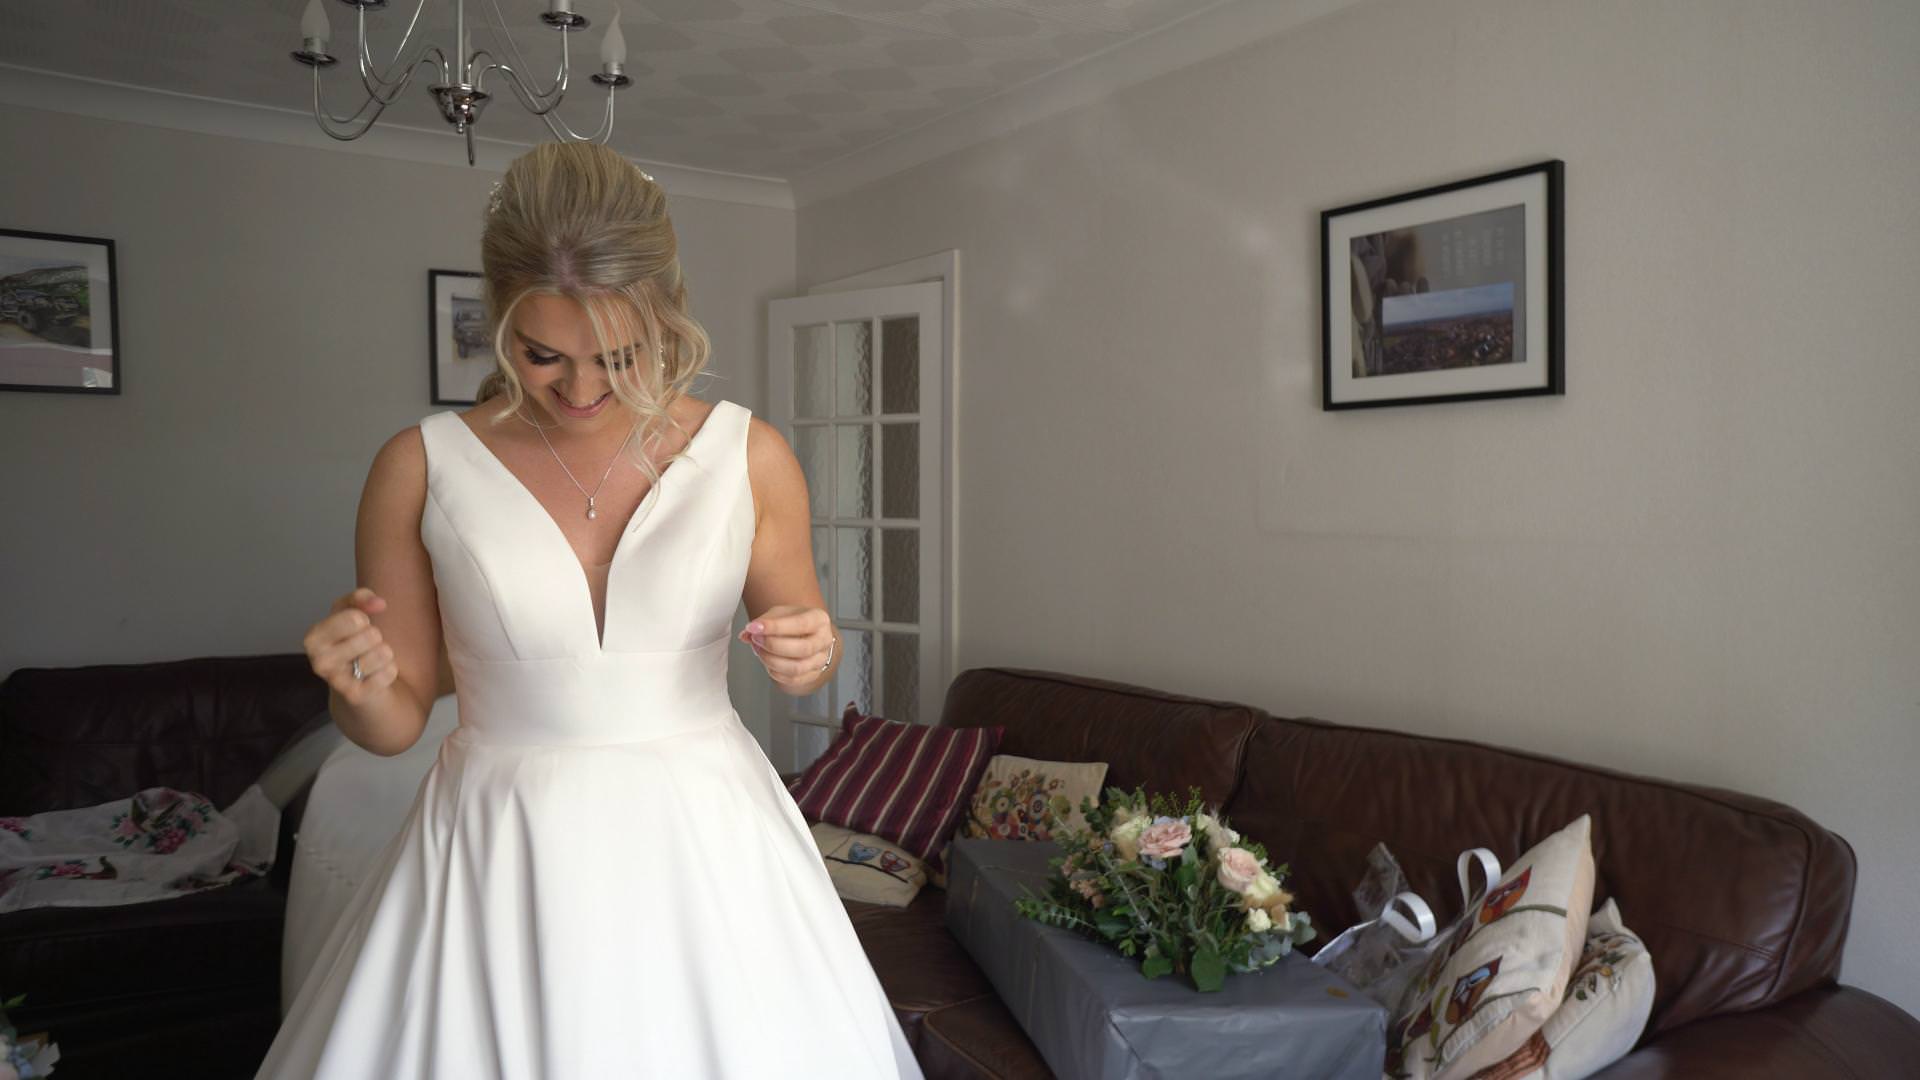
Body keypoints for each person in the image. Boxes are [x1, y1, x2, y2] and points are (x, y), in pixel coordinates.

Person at [254, 142, 924, 1079]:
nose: (579, 390)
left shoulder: (750, 454)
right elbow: (393, 722)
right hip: (501, 843)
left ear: (666, 316)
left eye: (619, 355)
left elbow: (804, 647)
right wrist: (356, 683)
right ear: (500, 321)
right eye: (542, 356)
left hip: (706, 839)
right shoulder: (418, 466)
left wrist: (811, 652)